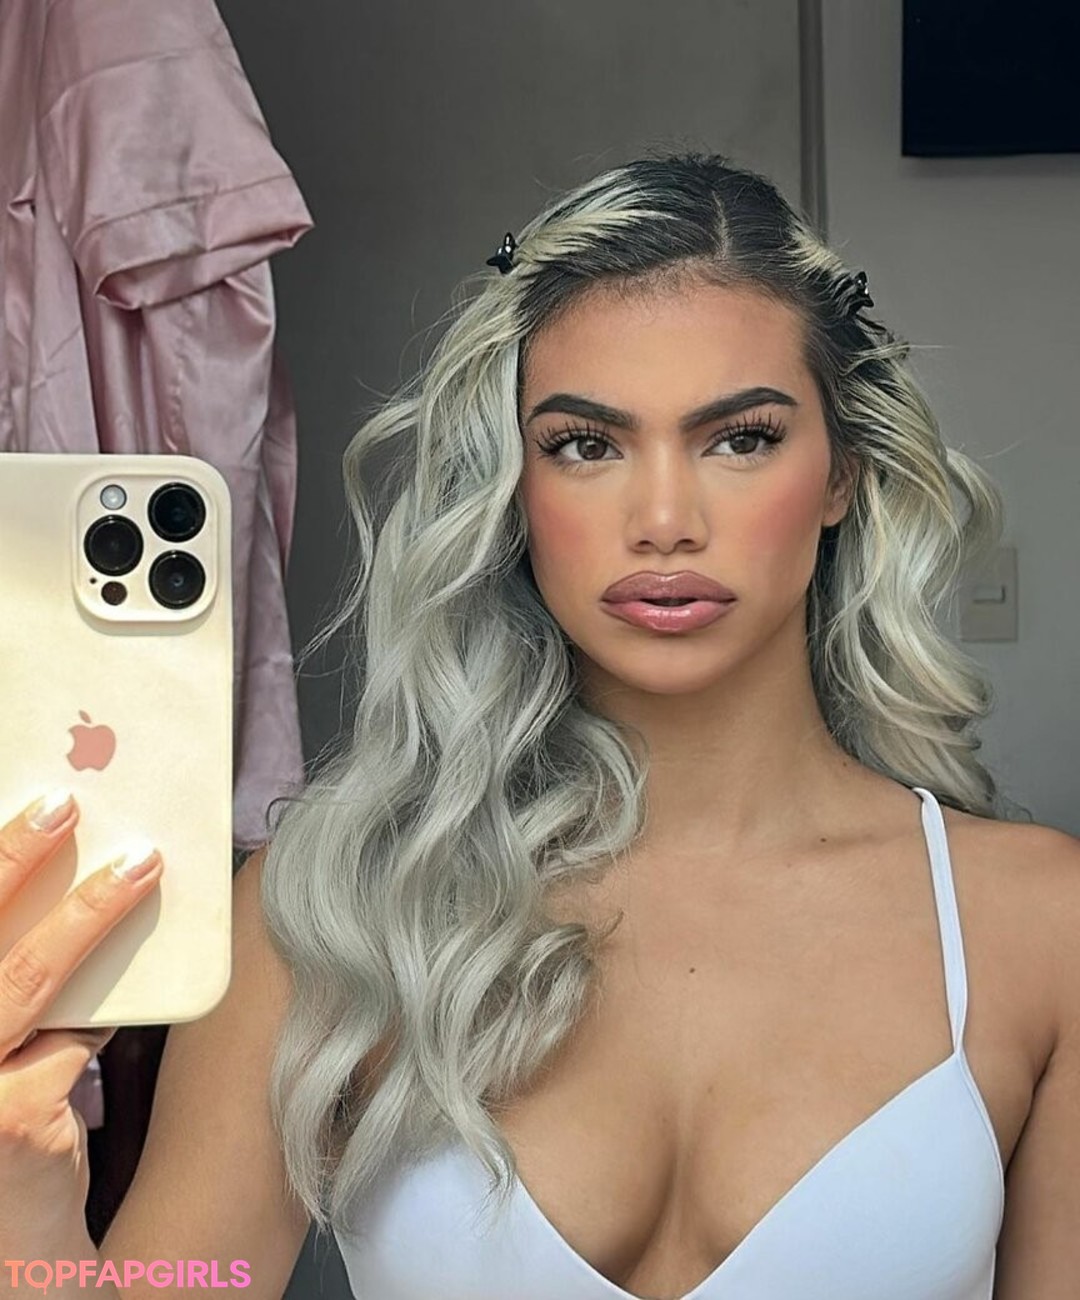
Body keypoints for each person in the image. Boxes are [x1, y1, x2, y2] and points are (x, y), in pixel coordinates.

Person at [1, 152, 1078, 1300]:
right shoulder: (327, 914)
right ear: (513, 486)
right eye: (586, 444)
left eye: (741, 437)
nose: (664, 519)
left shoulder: (1036, 927)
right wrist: (26, 1206)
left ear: (842, 472)